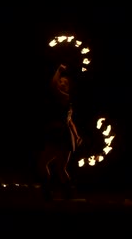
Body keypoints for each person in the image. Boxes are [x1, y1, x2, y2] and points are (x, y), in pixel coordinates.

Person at [37, 63, 82, 200]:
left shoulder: (64, 97)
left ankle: (49, 193)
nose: (61, 83)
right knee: (59, 168)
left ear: (68, 88)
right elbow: (70, 121)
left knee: (45, 163)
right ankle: (65, 193)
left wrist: (59, 70)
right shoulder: (63, 101)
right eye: (60, 81)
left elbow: (52, 84)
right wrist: (77, 135)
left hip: (60, 135)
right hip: (62, 134)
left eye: (64, 83)